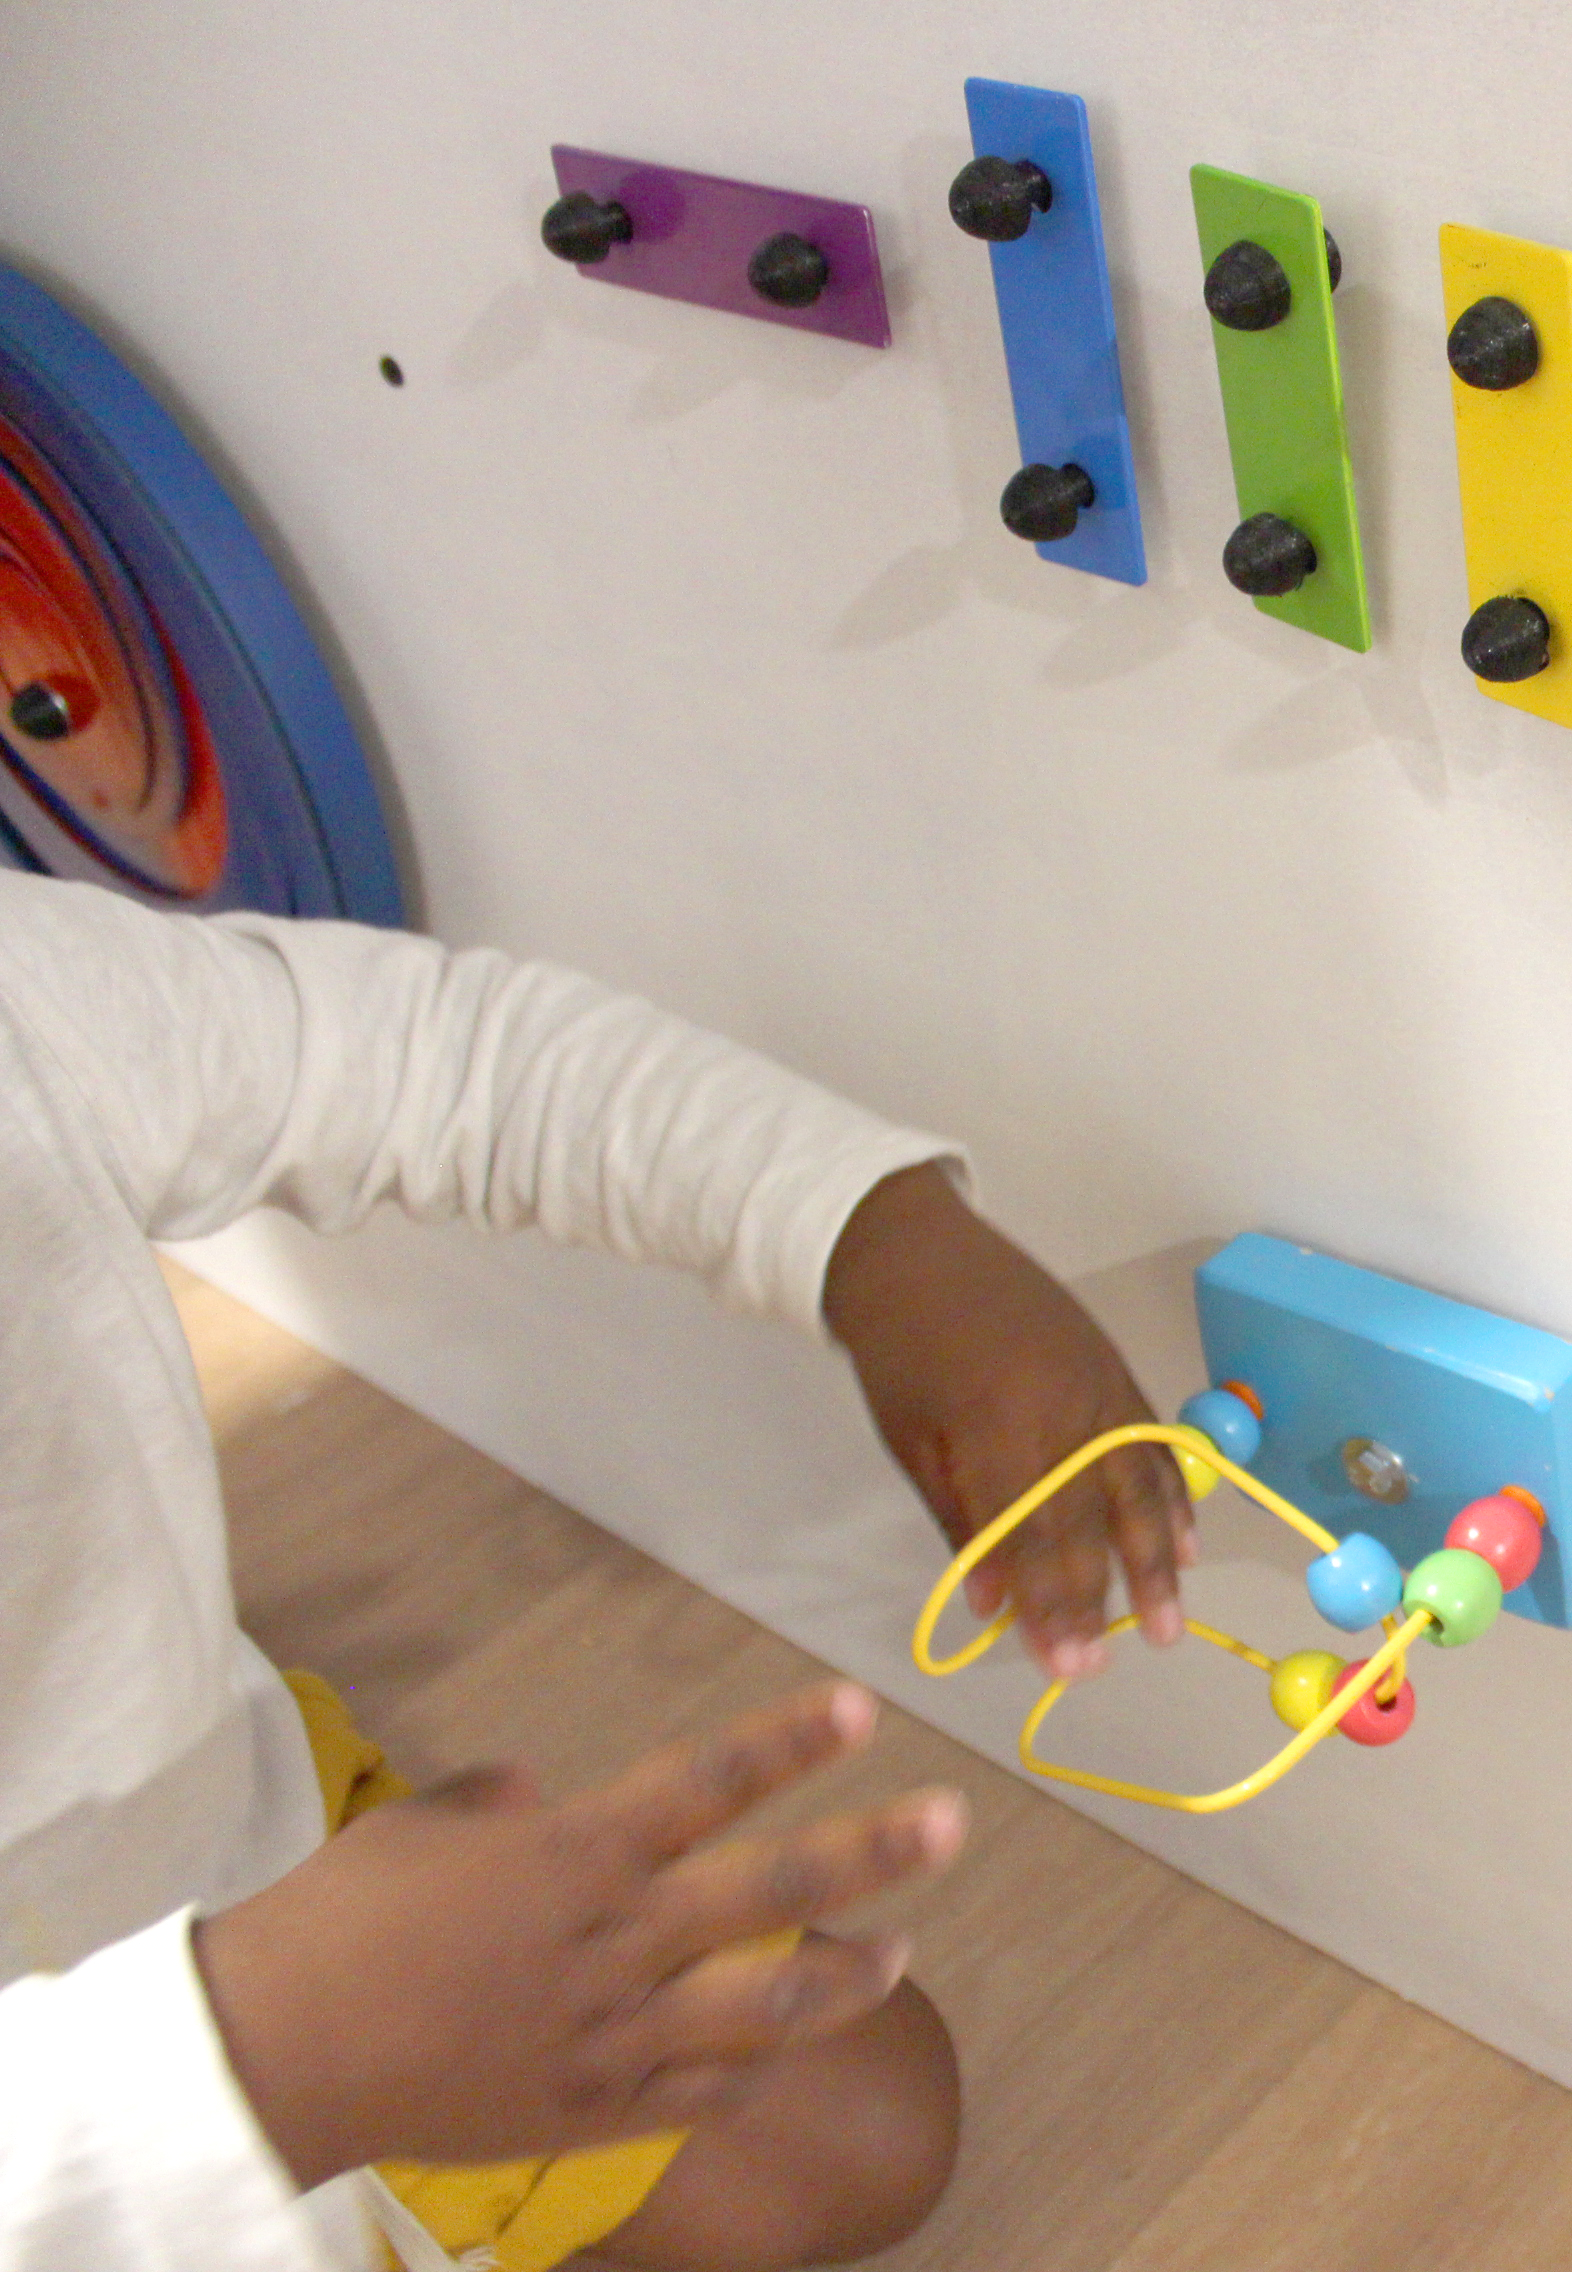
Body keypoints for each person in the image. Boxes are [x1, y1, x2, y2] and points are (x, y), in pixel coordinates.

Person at [0, 867, 1195, 2272]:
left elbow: (429, 1053)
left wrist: (875, 1235)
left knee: (866, 2109)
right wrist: (271, 2057)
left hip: (223, 1865)